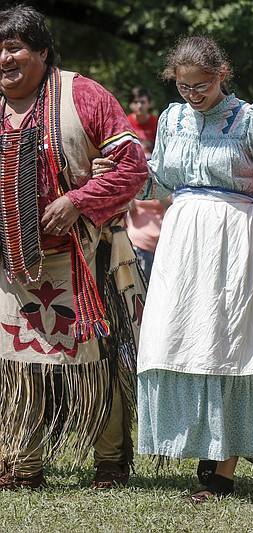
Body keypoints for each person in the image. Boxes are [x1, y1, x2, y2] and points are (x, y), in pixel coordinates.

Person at [131, 35, 253, 503]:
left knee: (228, 339)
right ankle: (201, 441)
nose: (193, 95)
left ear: (221, 74)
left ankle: (223, 468)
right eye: (184, 87)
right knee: (175, 335)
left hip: (233, 236)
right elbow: (160, 177)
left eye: (201, 86)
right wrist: (121, 169)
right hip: (181, 237)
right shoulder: (171, 118)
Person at [0, 6, 147, 490]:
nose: (4, 57)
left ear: (42, 51)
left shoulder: (82, 95)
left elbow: (132, 167)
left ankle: (110, 460)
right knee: (14, 363)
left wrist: (78, 201)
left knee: (94, 360)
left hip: (83, 256)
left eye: (14, 46)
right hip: (12, 262)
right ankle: (22, 464)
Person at [125, 86, 170, 281]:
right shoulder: (126, 123)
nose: (139, 106)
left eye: (143, 101)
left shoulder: (156, 124)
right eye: (136, 102)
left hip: (155, 172)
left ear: (149, 103)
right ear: (130, 105)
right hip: (132, 174)